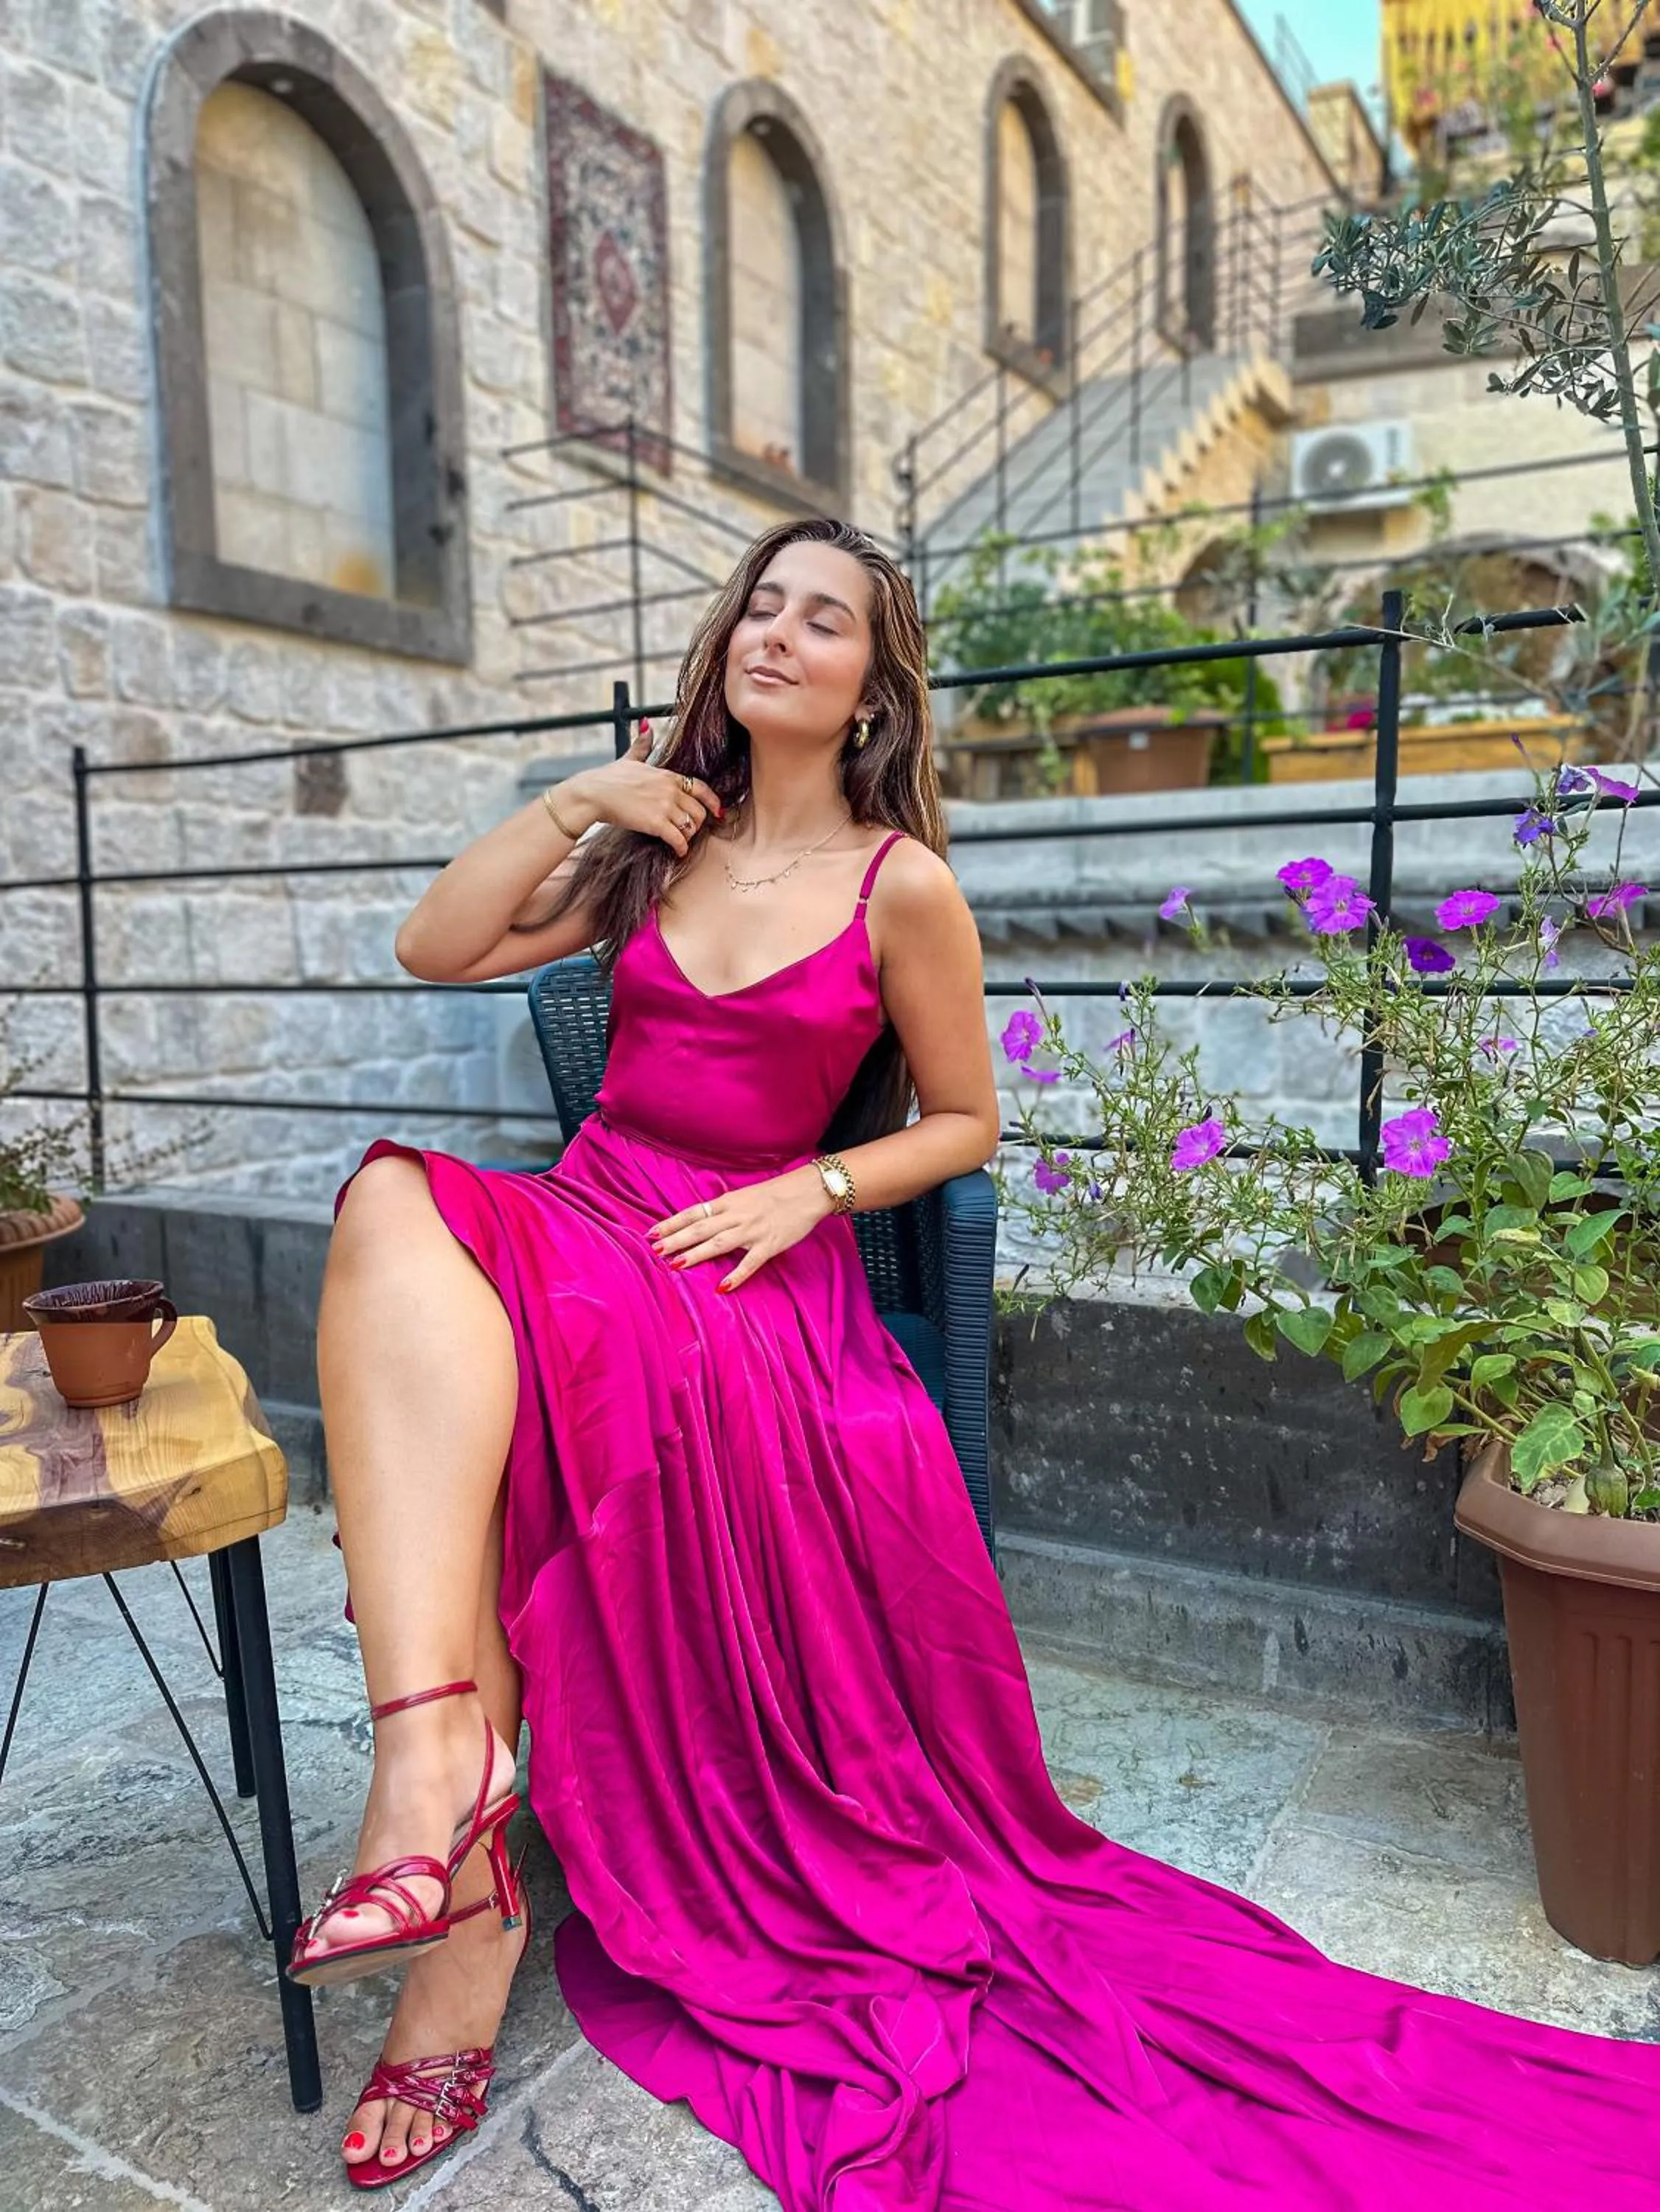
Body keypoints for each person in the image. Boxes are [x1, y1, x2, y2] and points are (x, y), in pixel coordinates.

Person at [293, 520, 1660, 2208]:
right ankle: (439, 1767)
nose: (779, 636)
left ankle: (461, 1919)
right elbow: (438, 946)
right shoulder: (660, 843)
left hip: (742, 1272)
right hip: (596, 1222)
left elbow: (965, 1122)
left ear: (875, 689)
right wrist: (587, 800)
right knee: (385, 1205)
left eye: (827, 621)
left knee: (475, 1377)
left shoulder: (900, 883)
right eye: (762, 608)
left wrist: (812, 1188)